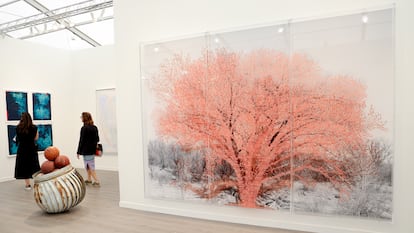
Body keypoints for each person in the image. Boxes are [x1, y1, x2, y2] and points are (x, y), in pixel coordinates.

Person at [14, 112, 41, 190]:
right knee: (35, 166)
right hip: (31, 149)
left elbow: (18, 139)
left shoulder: (18, 128)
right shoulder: (34, 127)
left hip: (22, 149)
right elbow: (36, 138)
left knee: (25, 166)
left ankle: (28, 185)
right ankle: (38, 184)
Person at [77, 112, 100, 186]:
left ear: (84, 118)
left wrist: (78, 152)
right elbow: (97, 139)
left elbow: (81, 141)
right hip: (92, 150)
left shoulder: (84, 128)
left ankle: (96, 181)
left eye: (82, 117)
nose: (81, 118)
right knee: (88, 165)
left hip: (86, 151)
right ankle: (89, 179)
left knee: (90, 166)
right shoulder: (94, 127)